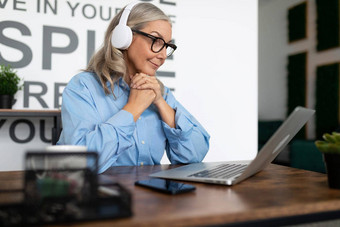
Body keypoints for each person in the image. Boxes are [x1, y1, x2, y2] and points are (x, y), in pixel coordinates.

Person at [57, 2, 210, 173]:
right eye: (156, 41)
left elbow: (195, 154)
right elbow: (80, 163)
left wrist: (160, 102)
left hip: (150, 195)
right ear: (124, 37)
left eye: (167, 46)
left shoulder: (159, 91)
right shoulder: (83, 87)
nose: (162, 56)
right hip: (98, 196)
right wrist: (134, 108)